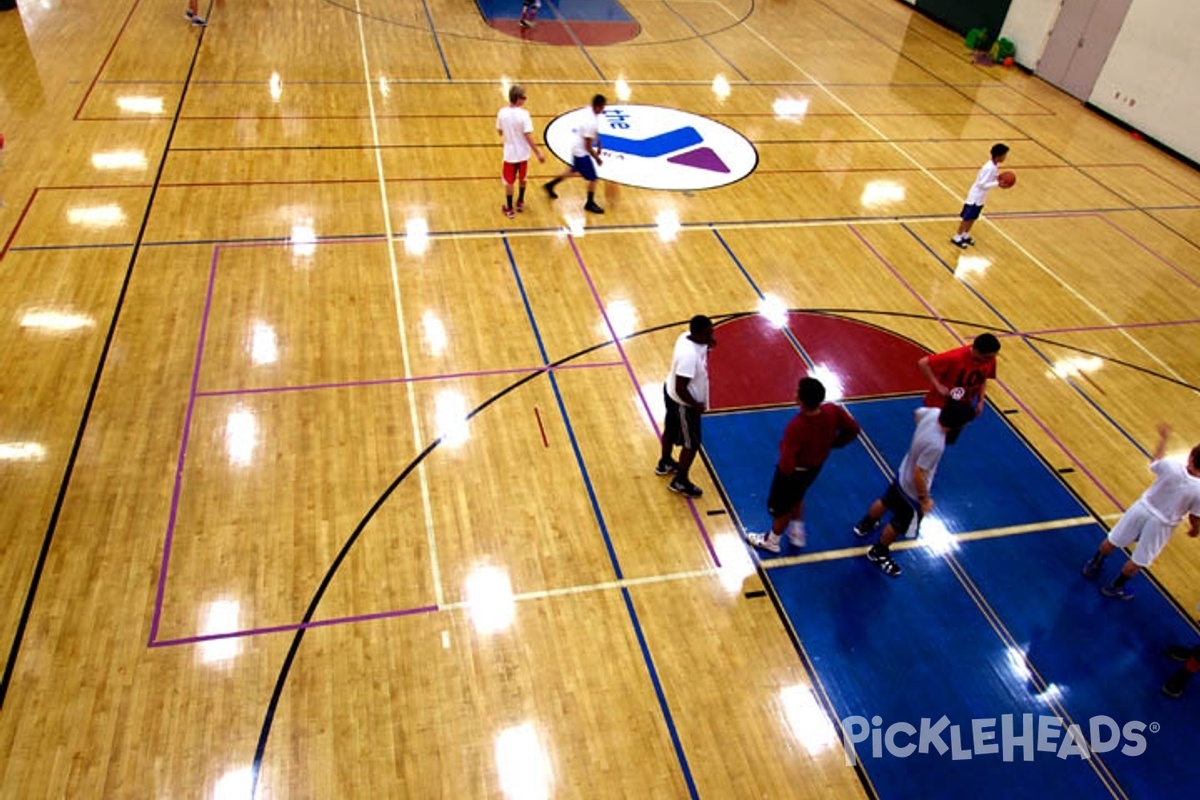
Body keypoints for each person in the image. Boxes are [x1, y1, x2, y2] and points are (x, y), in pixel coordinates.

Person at [853, 400, 975, 576]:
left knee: (885, 501)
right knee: (897, 524)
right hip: (911, 491)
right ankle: (878, 552)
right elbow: (919, 473)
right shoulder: (936, 444)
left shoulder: (933, 412)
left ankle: (865, 524)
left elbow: (916, 414)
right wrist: (924, 499)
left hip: (903, 473)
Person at [1082, 424, 1200, 599]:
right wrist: (1195, 529)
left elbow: (1155, 462)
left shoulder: (1171, 465)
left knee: (1113, 539)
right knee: (1139, 558)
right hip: (1162, 524)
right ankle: (1115, 587)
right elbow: (1194, 516)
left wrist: (1163, 439)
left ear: (1190, 456)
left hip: (1141, 508)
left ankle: (1094, 564)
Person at [745, 377, 862, 554]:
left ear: (800, 398)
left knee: (781, 508)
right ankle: (797, 532)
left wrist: (786, 476)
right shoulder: (832, 411)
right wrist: (836, 443)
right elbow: (854, 429)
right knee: (798, 495)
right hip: (815, 467)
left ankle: (772, 541)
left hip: (794, 472)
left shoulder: (796, 427)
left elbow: (786, 463)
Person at [656, 315, 715, 499]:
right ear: (697, 333)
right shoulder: (689, 356)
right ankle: (680, 481)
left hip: (670, 391)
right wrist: (695, 405)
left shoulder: (686, 336)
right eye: (707, 333)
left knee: (671, 431)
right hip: (683, 403)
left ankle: (665, 462)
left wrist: (709, 342)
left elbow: (705, 346)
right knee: (692, 443)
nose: (711, 335)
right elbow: (682, 387)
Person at [918, 333, 1000, 443]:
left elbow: (983, 378)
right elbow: (923, 363)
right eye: (987, 357)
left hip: (961, 407)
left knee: (946, 439)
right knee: (930, 438)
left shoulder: (989, 360)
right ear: (976, 350)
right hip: (941, 404)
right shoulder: (955, 357)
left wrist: (981, 401)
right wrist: (938, 386)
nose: (990, 360)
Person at [544, 94, 607, 214]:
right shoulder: (591, 122)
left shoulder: (590, 112)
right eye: (603, 107)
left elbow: (593, 133)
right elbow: (588, 147)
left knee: (572, 171)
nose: (604, 109)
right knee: (593, 178)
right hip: (581, 152)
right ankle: (589, 203)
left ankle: (551, 185)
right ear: (598, 107)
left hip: (576, 147)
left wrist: (598, 142)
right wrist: (597, 158)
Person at [496, 85, 545, 219]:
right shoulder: (524, 115)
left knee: (509, 181)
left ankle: (510, 209)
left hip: (510, 154)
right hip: (523, 153)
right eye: (523, 97)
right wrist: (538, 152)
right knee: (523, 178)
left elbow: (500, 132)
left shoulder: (502, 113)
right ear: (517, 99)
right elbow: (528, 135)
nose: (525, 99)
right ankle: (520, 202)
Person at [952, 142, 1009, 248]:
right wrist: (998, 183)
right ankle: (957, 236)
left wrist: (999, 178)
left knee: (973, 217)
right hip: (975, 196)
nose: (1005, 157)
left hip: (981, 197)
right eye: (1004, 155)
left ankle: (965, 234)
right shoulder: (988, 167)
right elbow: (981, 184)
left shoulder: (994, 166)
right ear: (998, 156)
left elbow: (991, 177)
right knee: (967, 218)